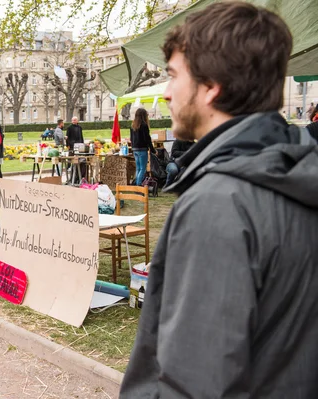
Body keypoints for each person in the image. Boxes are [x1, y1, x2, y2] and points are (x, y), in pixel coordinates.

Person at [120, 3, 318, 398]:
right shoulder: (297, 172)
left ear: (211, 87)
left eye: (174, 75)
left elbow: (194, 382)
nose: (168, 91)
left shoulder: (219, 205)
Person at [130, 108, 156, 186]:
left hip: (135, 149)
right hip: (142, 149)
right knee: (143, 168)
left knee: (138, 168)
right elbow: (147, 139)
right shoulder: (144, 125)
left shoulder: (133, 125)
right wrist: (153, 150)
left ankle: (137, 184)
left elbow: (131, 138)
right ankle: (138, 185)